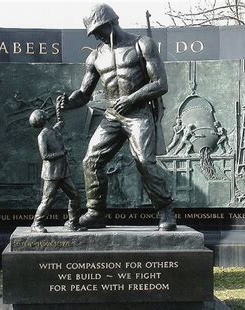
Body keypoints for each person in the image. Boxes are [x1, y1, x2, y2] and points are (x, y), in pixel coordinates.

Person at [59, 3, 175, 231]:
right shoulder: (95, 57)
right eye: (93, 33)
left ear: (111, 23)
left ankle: (165, 211)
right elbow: (84, 94)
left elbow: (161, 84)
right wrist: (69, 102)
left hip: (138, 114)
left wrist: (132, 99)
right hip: (112, 116)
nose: (97, 37)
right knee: (90, 161)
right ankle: (95, 213)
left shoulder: (142, 44)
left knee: (144, 162)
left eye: (99, 31)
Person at [29, 109, 85, 233]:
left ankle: (73, 223)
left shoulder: (53, 130)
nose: (47, 112)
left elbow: (61, 122)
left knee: (75, 196)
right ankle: (36, 223)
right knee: (47, 200)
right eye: (44, 112)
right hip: (51, 174)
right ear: (43, 118)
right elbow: (45, 156)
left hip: (63, 171)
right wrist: (62, 152)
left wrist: (59, 108)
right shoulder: (43, 135)